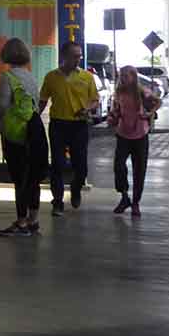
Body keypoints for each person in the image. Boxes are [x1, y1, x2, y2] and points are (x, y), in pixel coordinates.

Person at [0, 37, 49, 237]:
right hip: (34, 130)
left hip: (16, 134)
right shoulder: (31, 77)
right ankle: (33, 220)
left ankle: (21, 221)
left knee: (19, 178)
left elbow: (3, 107)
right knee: (33, 177)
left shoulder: (8, 77)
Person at [39, 40, 100, 214]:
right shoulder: (51, 77)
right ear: (64, 57)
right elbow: (43, 100)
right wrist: (33, 118)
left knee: (81, 166)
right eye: (74, 56)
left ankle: (75, 189)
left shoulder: (86, 77)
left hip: (79, 126)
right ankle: (57, 201)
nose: (78, 59)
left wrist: (87, 108)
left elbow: (95, 100)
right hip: (58, 124)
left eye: (79, 56)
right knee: (57, 163)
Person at [108, 64, 161, 218]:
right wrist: (112, 118)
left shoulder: (141, 92)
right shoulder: (118, 93)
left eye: (126, 76)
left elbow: (157, 101)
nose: (123, 78)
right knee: (118, 166)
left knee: (139, 170)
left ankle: (136, 202)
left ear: (133, 77)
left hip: (140, 135)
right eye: (121, 76)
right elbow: (116, 111)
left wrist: (149, 113)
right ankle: (124, 196)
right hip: (123, 134)